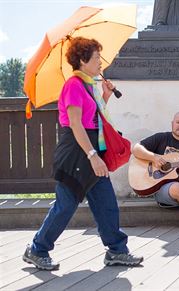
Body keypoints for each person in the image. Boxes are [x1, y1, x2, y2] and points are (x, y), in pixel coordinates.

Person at [22, 37, 143, 271]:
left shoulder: (89, 85)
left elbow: (94, 118)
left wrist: (106, 96)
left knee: (106, 202)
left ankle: (117, 251)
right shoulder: (73, 85)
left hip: (89, 149)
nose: (100, 62)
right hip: (77, 152)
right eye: (96, 57)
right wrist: (92, 155)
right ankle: (37, 249)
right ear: (82, 60)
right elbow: (76, 124)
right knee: (66, 205)